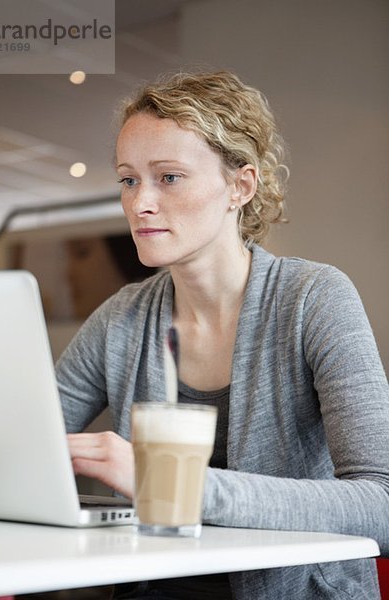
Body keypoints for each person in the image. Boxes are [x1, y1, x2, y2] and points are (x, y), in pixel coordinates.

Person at [56, 71, 389, 599]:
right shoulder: (121, 318)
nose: (139, 202)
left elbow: (380, 504)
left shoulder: (314, 298)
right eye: (128, 179)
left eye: (168, 177)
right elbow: (22, 451)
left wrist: (175, 485)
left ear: (241, 186)